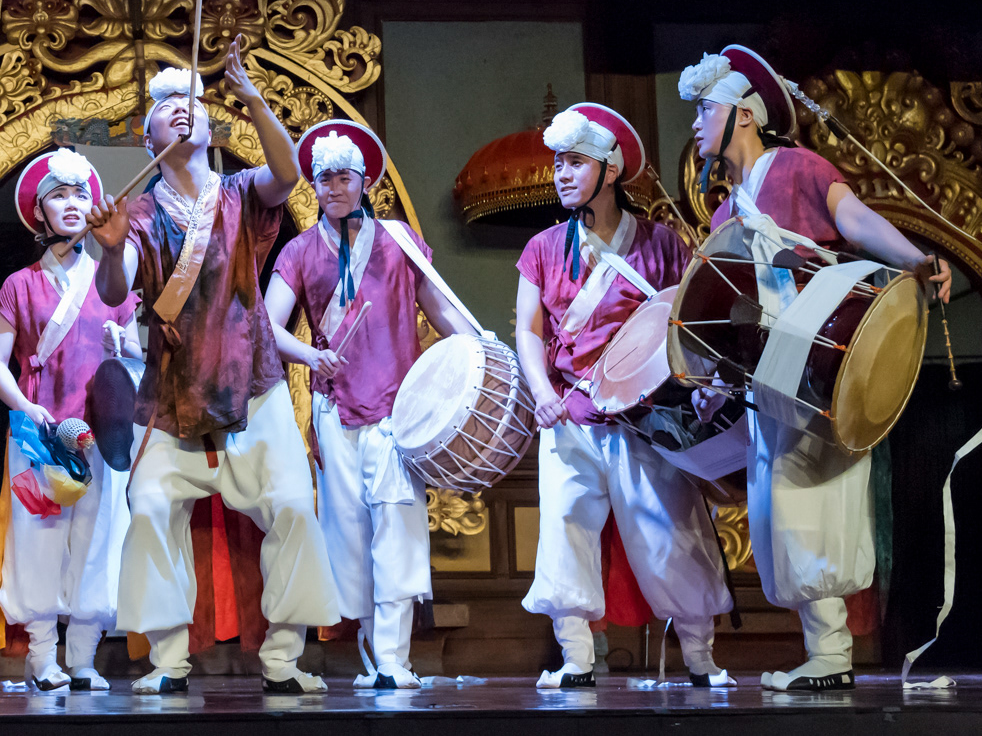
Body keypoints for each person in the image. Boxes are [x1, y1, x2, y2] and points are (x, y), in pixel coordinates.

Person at [680, 46, 949, 691]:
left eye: (705, 109)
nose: (694, 123)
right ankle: (823, 650)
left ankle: (832, 654)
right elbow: (731, 311)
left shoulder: (799, 167)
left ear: (745, 114)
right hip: (768, 375)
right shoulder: (724, 213)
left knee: (810, 501)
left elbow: (851, 217)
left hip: (817, 359)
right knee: (778, 506)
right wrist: (715, 380)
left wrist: (914, 259)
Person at [87, 39, 341, 695]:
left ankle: (283, 660)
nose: (182, 109)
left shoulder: (239, 194)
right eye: (167, 106)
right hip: (172, 398)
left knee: (293, 506)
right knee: (149, 509)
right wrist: (109, 251)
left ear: (209, 127)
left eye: (192, 103)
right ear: (148, 140)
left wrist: (251, 97)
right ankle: (167, 660)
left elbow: (286, 174)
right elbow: (114, 291)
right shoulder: (140, 214)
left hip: (253, 388)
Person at [513, 103, 735, 690]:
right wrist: (541, 391)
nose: (561, 174)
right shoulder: (542, 247)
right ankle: (576, 658)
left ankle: (701, 657)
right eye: (557, 163)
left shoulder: (662, 244)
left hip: (644, 415)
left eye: (575, 163)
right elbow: (528, 331)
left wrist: (702, 384)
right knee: (565, 532)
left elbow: (689, 324)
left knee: (668, 533)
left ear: (610, 171)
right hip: (569, 415)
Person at [263, 120, 473, 689]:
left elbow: (440, 309)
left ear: (364, 182)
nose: (334, 188)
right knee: (349, 534)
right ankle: (374, 655)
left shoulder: (399, 240)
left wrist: (480, 354)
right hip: (335, 409)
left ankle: (394, 659)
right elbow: (267, 326)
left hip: (398, 409)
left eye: (344, 177)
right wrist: (310, 354)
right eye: (324, 178)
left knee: (397, 523)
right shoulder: (300, 250)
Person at [0, 148, 142, 691]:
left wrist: (124, 345)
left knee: (97, 541)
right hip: (39, 433)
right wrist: (24, 407)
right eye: (59, 196)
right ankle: (42, 657)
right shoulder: (19, 284)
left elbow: (136, 358)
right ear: (39, 212)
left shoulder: (110, 281)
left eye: (80, 194)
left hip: (100, 434)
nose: (72, 204)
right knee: (39, 539)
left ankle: (83, 659)